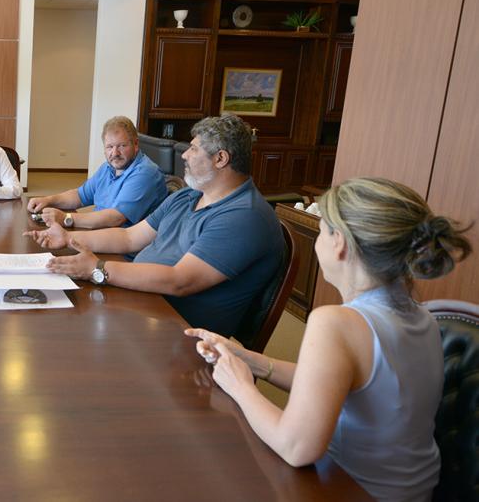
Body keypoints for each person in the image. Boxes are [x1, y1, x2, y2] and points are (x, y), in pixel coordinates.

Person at [186, 177, 472, 501]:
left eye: (321, 230)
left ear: (340, 244)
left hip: (350, 489)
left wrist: (239, 385)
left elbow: (296, 448)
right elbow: (342, 382)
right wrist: (251, 361)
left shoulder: (336, 323)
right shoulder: (424, 316)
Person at [25, 113, 283, 337]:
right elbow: (129, 238)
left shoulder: (244, 217)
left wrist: (98, 268)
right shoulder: (188, 195)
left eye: (193, 149)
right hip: (145, 302)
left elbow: (180, 281)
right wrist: (68, 238)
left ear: (221, 158)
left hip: (180, 332)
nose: (185, 155)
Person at [26, 116, 167, 229]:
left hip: (122, 248)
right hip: (100, 234)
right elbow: (80, 196)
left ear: (135, 144)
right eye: (109, 147)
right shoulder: (108, 168)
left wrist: (65, 218)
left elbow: (116, 218)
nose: (115, 153)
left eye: (122, 146)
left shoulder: (145, 173)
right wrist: (48, 200)